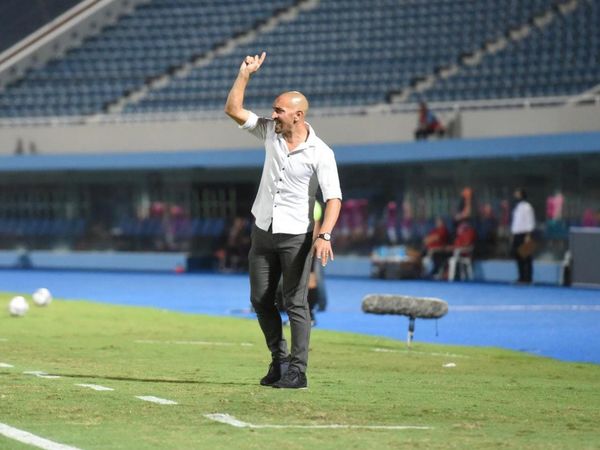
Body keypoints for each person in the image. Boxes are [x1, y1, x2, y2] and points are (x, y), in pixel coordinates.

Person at [224, 52, 342, 389]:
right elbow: (233, 110)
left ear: (298, 115)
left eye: (279, 110)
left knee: (295, 302)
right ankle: (279, 359)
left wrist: (326, 236)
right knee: (260, 298)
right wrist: (244, 74)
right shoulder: (270, 133)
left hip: (296, 236)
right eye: (273, 109)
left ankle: (298, 372)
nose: (273, 114)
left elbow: (333, 198)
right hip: (262, 231)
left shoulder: (321, 152)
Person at [511, 188, 536, 284]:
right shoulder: (517, 207)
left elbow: (530, 221)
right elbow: (515, 223)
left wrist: (528, 234)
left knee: (526, 257)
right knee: (518, 256)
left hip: (525, 234)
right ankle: (521, 277)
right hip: (517, 234)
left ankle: (528, 278)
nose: (515, 196)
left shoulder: (527, 207)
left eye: (517, 194)